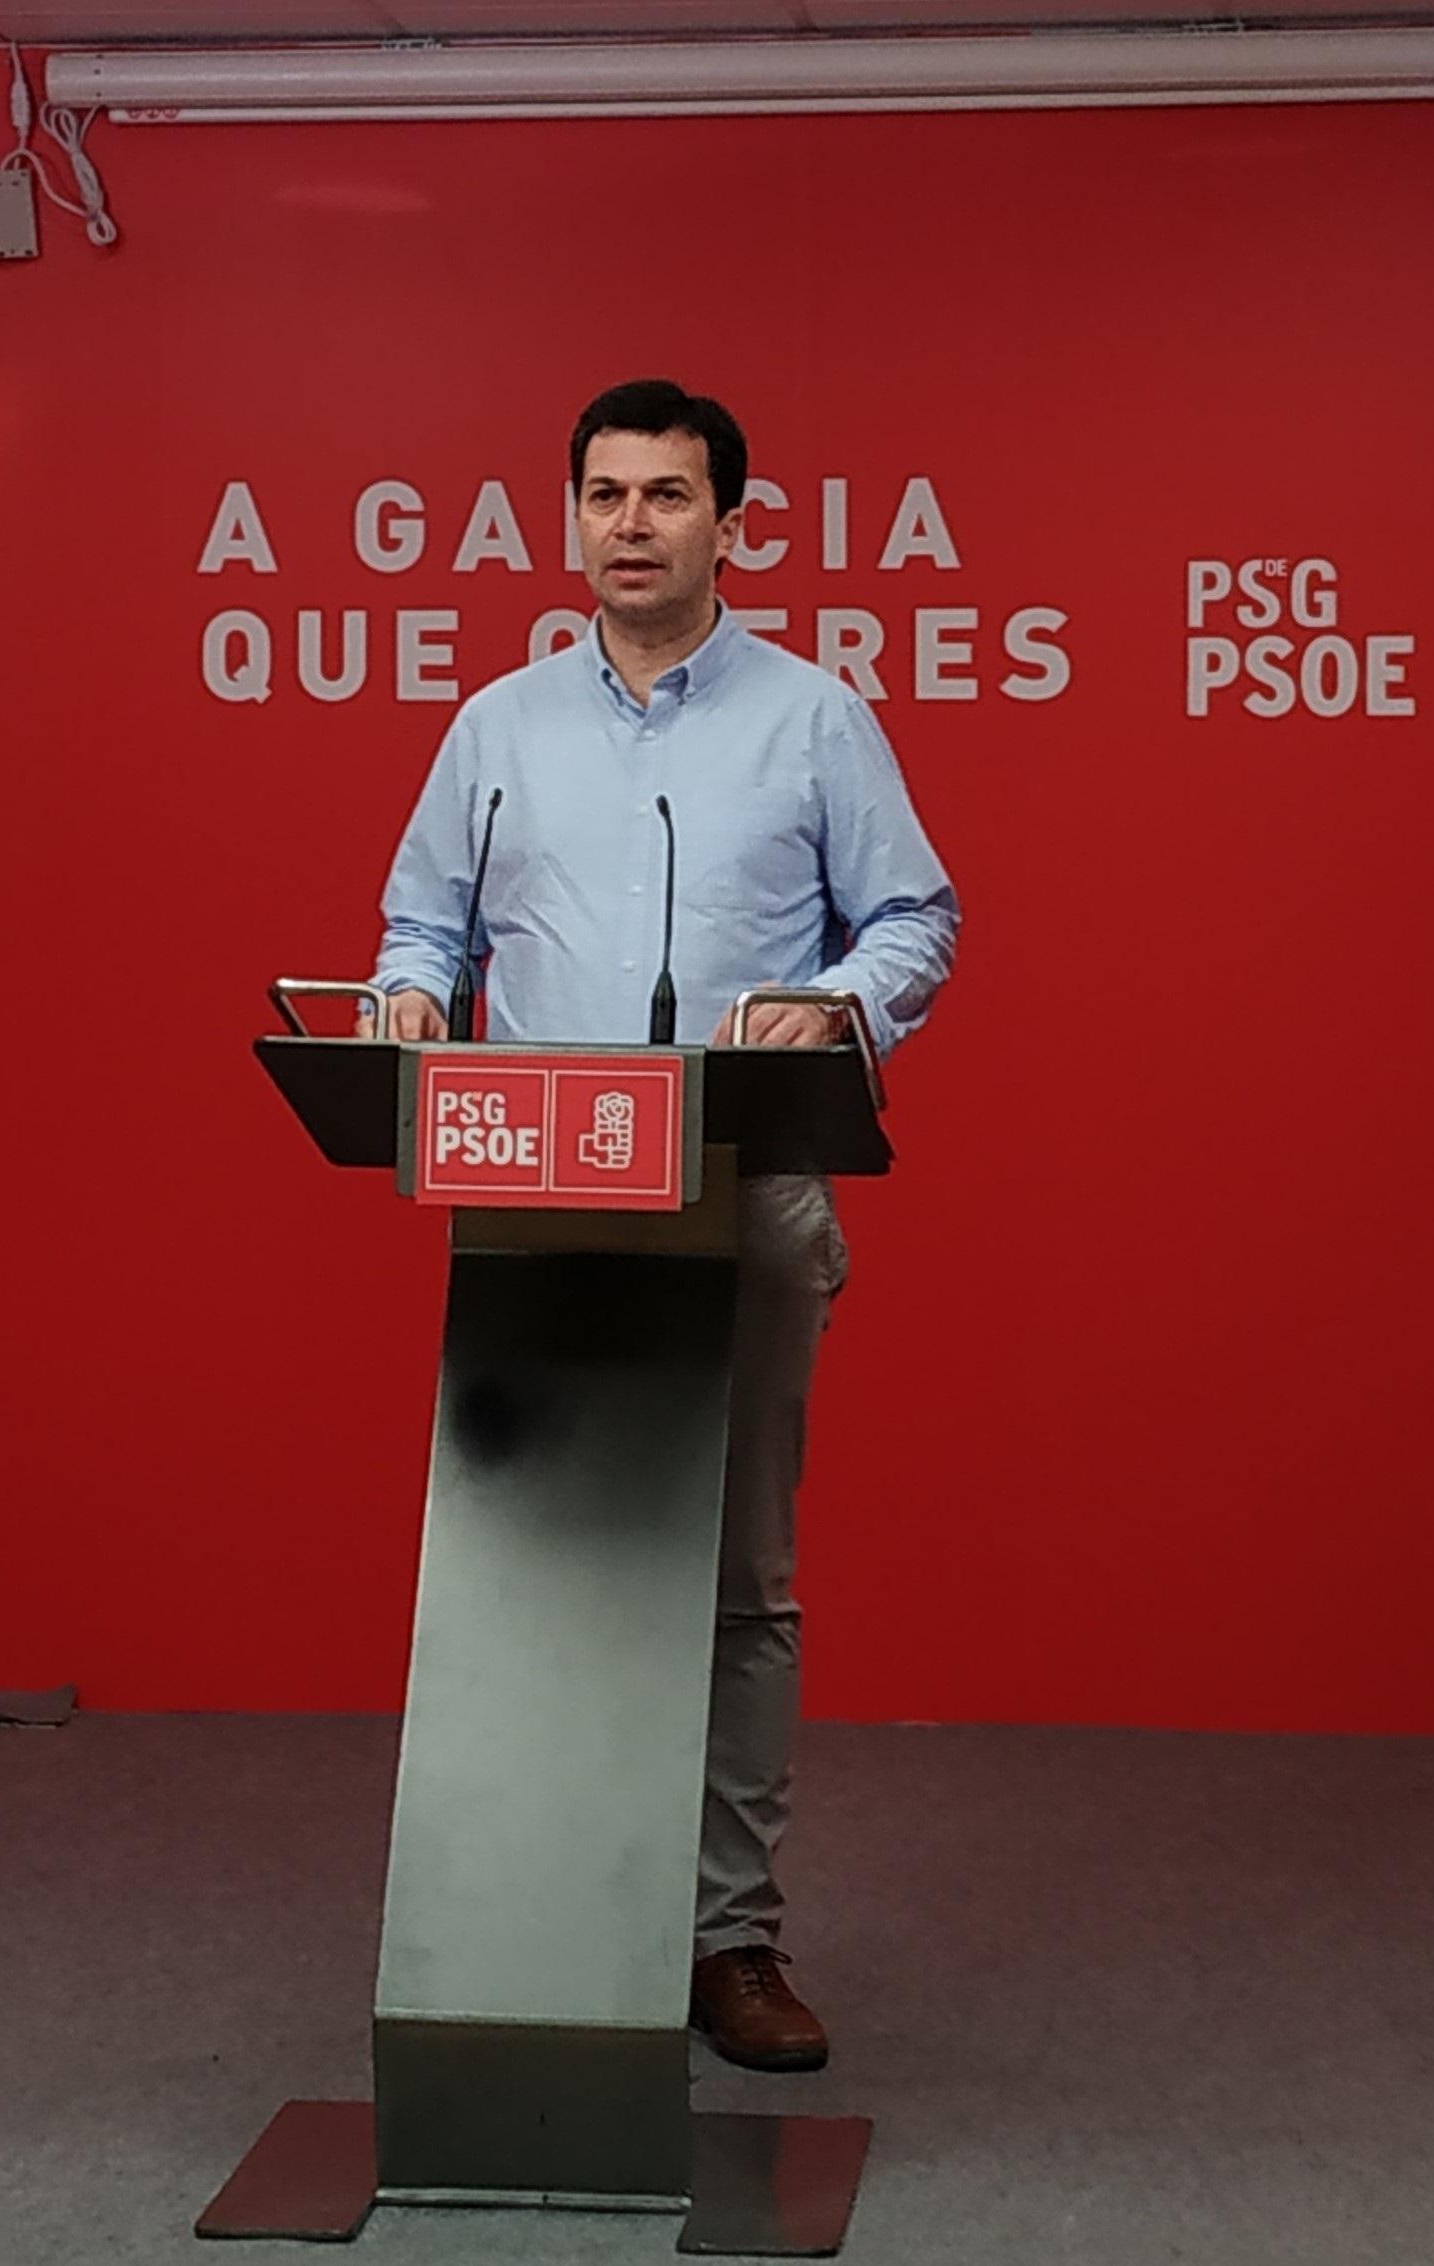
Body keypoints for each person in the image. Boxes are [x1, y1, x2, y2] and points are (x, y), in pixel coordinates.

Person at [359, 378, 959, 2072]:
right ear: (569, 519)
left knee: (735, 1581)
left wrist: (837, 1000)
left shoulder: (811, 719)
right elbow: (423, 919)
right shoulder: (496, 726)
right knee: (537, 1566)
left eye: (667, 495)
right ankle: (545, 1923)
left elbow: (916, 911)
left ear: (729, 523)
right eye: (604, 494)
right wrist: (407, 999)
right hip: (541, 1196)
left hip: (741, 1185)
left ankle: (726, 1937)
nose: (631, 523)